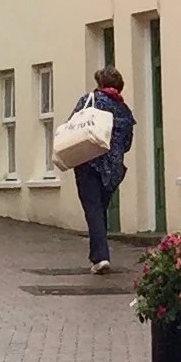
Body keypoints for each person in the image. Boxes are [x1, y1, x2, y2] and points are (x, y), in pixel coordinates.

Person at [77, 67, 135, 272]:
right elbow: (127, 144)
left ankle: (101, 256)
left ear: (100, 84)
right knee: (100, 209)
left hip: (89, 162)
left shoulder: (90, 100)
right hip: (113, 169)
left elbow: (72, 127)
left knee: (93, 209)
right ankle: (97, 255)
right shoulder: (124, 110)